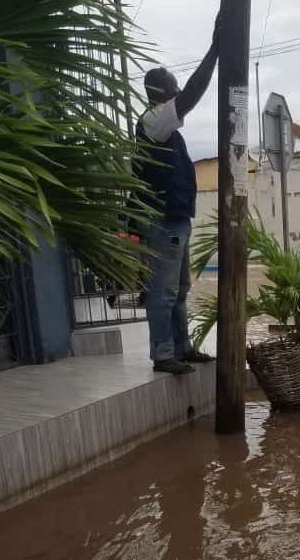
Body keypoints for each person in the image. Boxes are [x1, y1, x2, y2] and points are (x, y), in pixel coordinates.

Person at [133, 16, 220, 375]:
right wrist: (215, 51)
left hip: (175, 219)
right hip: (163, 220)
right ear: (160, 93)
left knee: (180, 289)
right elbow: (191, 96)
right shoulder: (154, 120)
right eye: (173, 87)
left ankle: (181, 349)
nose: (178, 90)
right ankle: (163, 354)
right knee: (164, 290)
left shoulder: (164, 125)